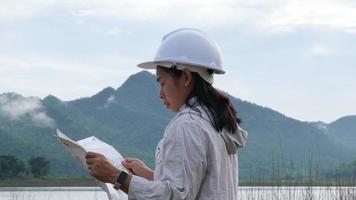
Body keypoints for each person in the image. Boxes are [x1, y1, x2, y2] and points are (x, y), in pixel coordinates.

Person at [85, 28, 248, 199]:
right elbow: (191, 187)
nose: (160, 94)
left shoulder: (188, 125)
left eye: (162, 83)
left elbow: (174, 195)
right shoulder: (214, 120)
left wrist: (117, 176)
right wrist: (148, 174)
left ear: (185, 77)